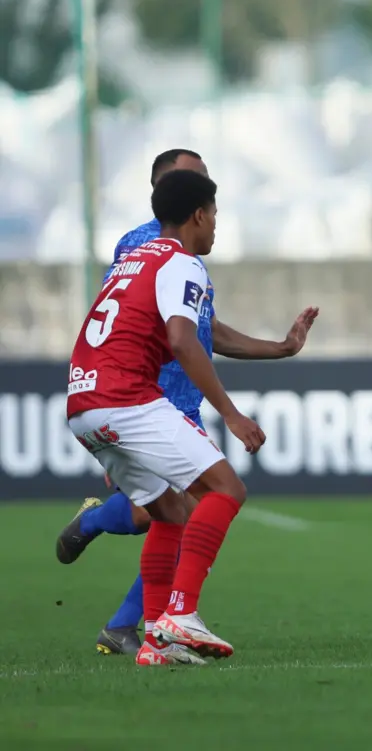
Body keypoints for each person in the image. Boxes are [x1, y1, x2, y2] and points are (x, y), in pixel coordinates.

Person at [56, 149, 319, 656]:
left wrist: (281, 347)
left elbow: (188, 329)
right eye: (215, 213)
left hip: (84, 401)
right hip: (133, 398)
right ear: (198, 213)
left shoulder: (136, 255)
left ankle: (154, 636)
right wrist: (233, 413)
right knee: (226, 489)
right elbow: (183, 339)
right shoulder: (182, 261)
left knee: (170, 513)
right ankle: (181, 613)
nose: (217, 224)